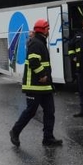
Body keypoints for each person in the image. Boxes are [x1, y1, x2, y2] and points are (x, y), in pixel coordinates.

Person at [9, 19, 62, 147]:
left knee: (50, 111)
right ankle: (15, 132)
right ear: (43, 30)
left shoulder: (40, 42)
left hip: (44, 85)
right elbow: (34, 62)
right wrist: (42, 75)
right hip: (34, 85)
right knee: (31, 111)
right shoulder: (36, 43)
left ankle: (48, 138)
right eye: (47, 29)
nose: (48, 30)